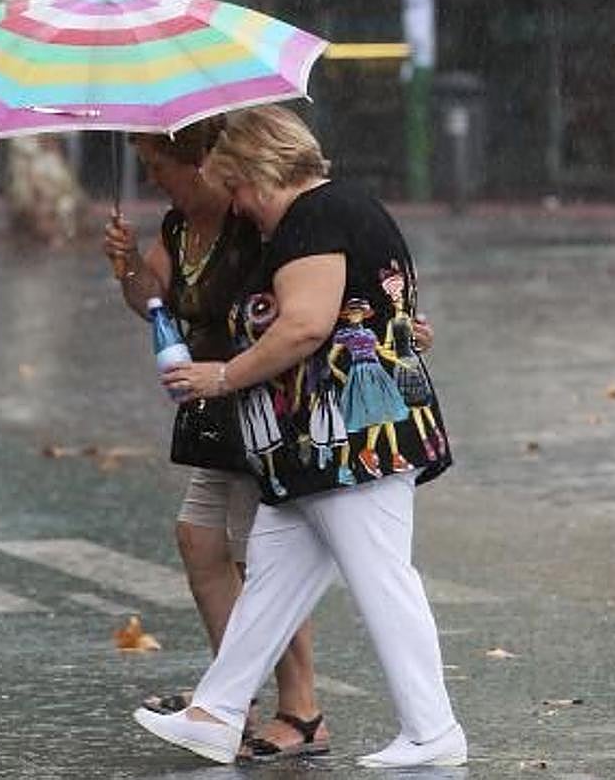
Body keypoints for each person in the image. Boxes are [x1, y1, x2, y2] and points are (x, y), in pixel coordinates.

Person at [132, 105, 465, 769]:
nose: (242, 206)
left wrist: (221, 376)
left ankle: (433, 731)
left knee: (382, 580)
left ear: (260, 171)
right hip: (318, 447)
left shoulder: (313, 217)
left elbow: (305, 326)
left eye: (240, 188)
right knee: (275, 579)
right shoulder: (336, 211)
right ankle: (217, 712)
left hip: (351, 439)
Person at [104, 117, 325, 760]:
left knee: (265, 557)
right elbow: (154, 302)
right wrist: (125, 268)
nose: (152, 179)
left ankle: (302, 709)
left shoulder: (250, 222)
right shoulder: (178, 229)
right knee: (200, 541)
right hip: (210, 406)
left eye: (159, 166)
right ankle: (231, 699)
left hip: (257, 399)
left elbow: (300, 304)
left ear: (200, 162)